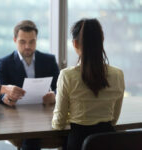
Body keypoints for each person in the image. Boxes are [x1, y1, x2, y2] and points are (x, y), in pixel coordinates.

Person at [52, 18, 125, 150]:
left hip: (78, 144)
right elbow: (113, 118)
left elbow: (59, 123)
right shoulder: (118, 75)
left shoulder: (67, 75)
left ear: (75, 44)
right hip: (108, 142)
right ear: (102, 41)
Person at [0, 20, 60, 150]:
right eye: (22, 42)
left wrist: (54, 95)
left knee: (71, 133)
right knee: (32, 137)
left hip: (45, 111)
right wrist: (5, 98)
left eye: (32, 41)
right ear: (15, 40)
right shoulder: (4, 63)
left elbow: (60, 87)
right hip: (18, 115)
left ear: (36, 40)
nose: (27, 46)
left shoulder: (49, 60)